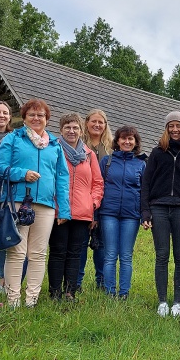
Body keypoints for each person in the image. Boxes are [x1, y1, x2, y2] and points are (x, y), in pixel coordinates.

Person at [0, 99, 71, 309]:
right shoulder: (13, 139)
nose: (36, 118)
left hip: (46, 206)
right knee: (17, 252)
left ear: (47, 119)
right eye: (32, 115)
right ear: (25, 117)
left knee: (38, 254)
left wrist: (63, 209)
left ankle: (31, 300)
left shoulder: (55, 145)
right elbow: (0, 168)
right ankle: (13, 300)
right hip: (18, 202)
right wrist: (22, 174)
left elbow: (62, 178)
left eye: (41, 115)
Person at [141, 111, 180, 318]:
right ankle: (162, 301)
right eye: (171, 126)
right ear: (166, 128)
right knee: (161, 256)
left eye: (179, 126)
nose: (175, 129)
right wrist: (145, 211)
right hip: (159, 207)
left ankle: (177, 302)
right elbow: (146, 183)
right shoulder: (157, 152)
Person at [48, 113, 103, 301]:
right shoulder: (53, 149)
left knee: (74, 253)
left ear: (81, 130)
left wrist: (93, 202)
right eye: (67, 127)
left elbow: (98, 183)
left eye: (75, 128)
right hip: (58, 210)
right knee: (57, 251)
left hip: (82, 212)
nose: (71, 131)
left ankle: (70, 291)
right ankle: (54, 291)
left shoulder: (88, 155)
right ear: (61, 129)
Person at [98, 126, 145, 299]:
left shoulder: (141, 164)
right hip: (108, 213)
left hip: (131, 215)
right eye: (123, 138)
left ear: (135, 142)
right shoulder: (107, 162)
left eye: (130, 139)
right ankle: (110, 292)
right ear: (117, 141)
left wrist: (144, 214)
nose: (127, 142)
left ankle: (123, 293)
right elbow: (99, 187)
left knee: (126, 255)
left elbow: (144, 192)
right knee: (110, 254)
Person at [78, 109, 113, 290]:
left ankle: (101, 280)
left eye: (101, 122)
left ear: (105, 125)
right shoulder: (79, 145)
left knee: (101, 243)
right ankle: (78, 280)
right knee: (81, 241)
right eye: (94, 121)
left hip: (105, 200)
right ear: (87, 123)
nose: (97, 125)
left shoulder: (111, 148)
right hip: (82, 199)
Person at [0, 101, 19, 293]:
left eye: (5, 112)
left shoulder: (15, 138)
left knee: (5, 235)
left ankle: (4, 279)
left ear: (9, 117)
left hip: (8, 193)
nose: (1, 115)